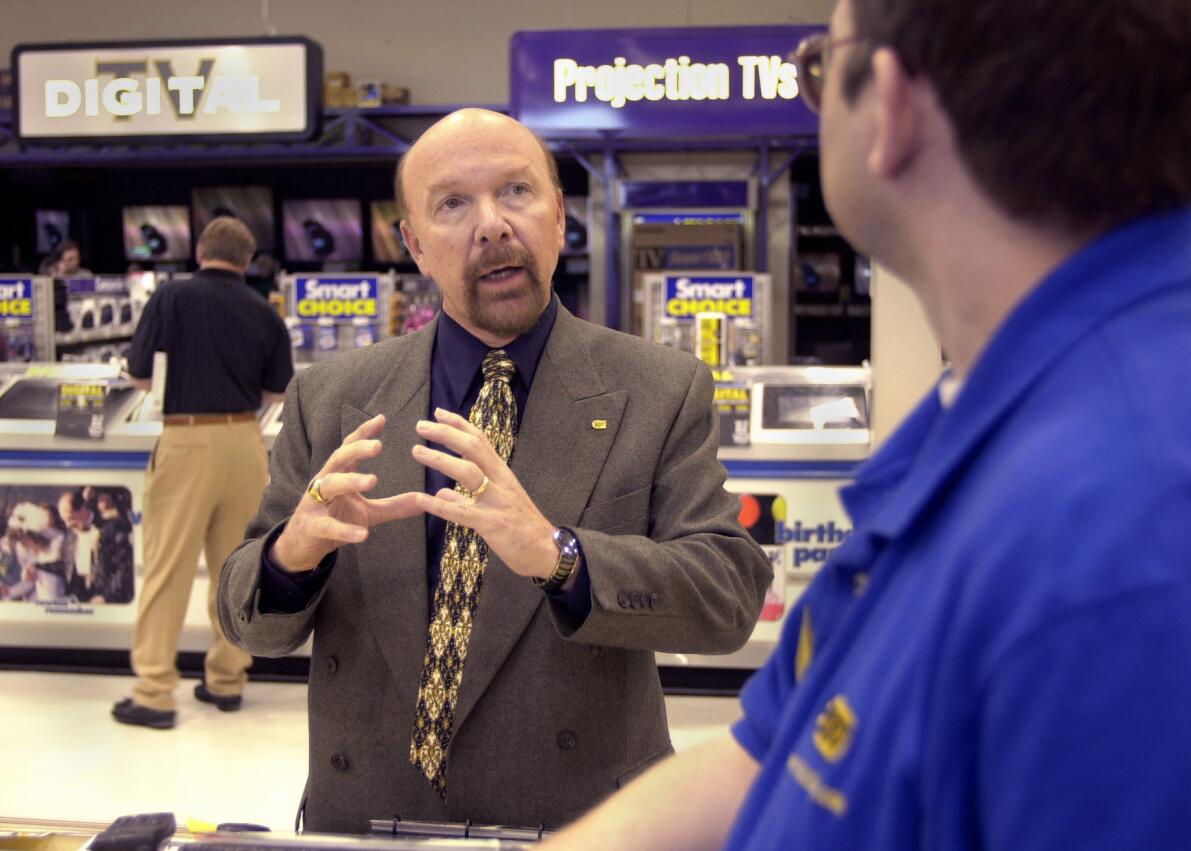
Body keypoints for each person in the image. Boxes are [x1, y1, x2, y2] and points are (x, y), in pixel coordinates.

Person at [542, 1, 1191, 849]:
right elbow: (774, 751)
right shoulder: (983, 418)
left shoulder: (1125, 540)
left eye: (818, 66)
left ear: (889, 107)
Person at [217, 108, 772, 833]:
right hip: (364, 818)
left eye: (516, 191)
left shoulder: (659, 388)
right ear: (414, 245)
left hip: (581, 823)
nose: (492, 224)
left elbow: (729, 596)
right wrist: (293, 556)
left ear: (560, 217)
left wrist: (560, 555)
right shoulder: (333, 398)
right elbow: (242, 616)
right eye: (453, 203)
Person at [112, 216, 294, 730]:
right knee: (234, 569)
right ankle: (227, 679)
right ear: (248, 260)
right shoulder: (264, 312)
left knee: (168, 565)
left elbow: (141, 374)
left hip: (187, 439)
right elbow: (279, 391)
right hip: (244, 442)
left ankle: (153, 692)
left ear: (199, 251)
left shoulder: (170, 299)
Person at [57, 489, 134, 604]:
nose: (68, 525)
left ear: (83, 509)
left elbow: (124, 568)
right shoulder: (70, 536)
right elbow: (68, 569)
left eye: (70, 518)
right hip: (82, 599)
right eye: (64, 521)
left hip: (109, 600)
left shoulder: (112, 528)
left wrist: (106, 597)